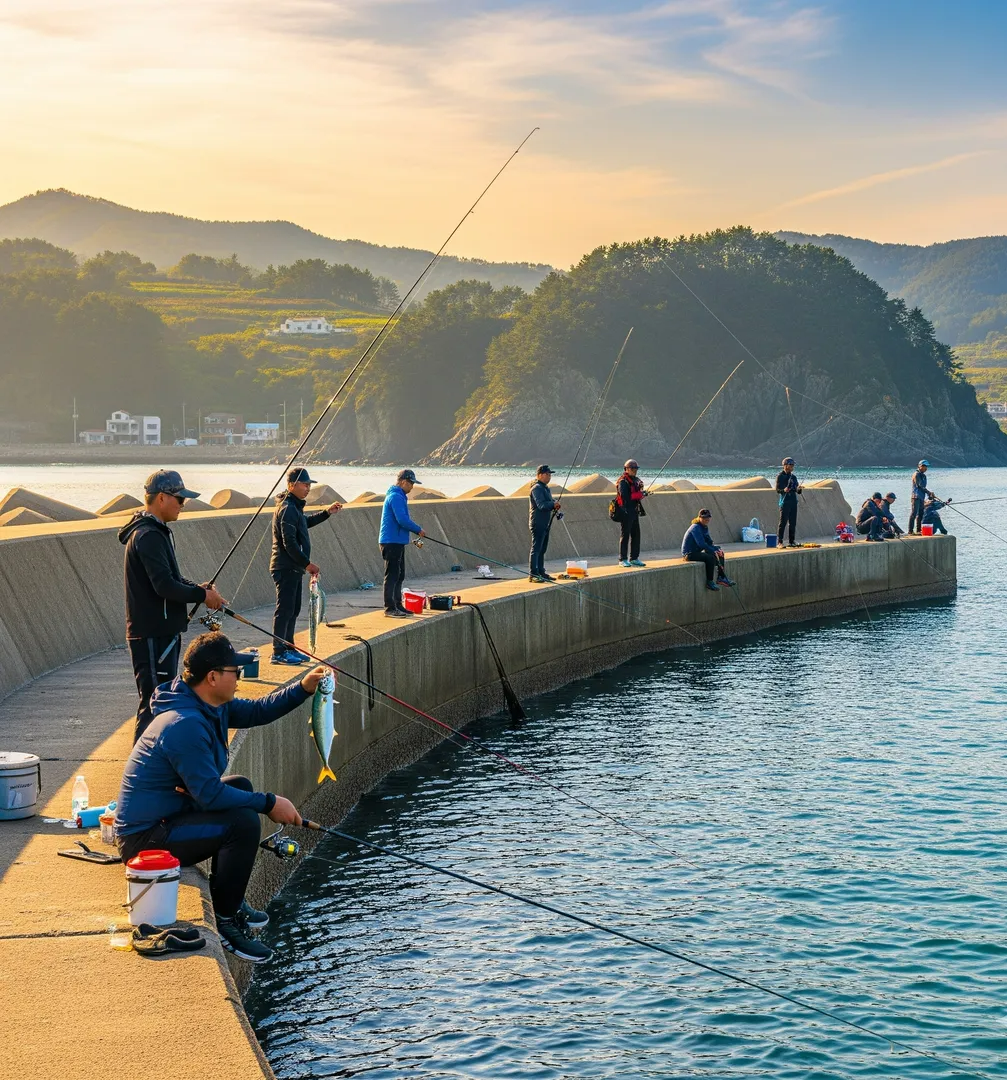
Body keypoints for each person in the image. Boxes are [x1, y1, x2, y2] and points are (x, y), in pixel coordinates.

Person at [115, 632, 327, 963]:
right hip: (144, 841)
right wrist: (270, 803)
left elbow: (259, 711)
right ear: (212, 677)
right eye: (235, 671)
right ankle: (227, 922)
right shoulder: (183, 724)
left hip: (170, 817)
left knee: (240, 786)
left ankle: (231, 899)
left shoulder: (210, 705)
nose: (240, 676)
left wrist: (304, 688)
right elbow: (211, 797)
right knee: (241, 822)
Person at [119, 470, 226, 744]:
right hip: (152, 634)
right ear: (162, 498)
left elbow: (173, 579)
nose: (183, 504)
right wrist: (201, 597)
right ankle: (140, 772)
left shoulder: (156, 532)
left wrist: (200, 590)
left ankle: (150, 768)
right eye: (180, 499)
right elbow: (164, 586)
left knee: (160, 698)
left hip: (161, 633)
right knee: (155, 701)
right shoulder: (148, 536)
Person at [270, 467, 343, 663]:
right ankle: (278, 652)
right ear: (291, 485)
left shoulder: (295, 507)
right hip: (284, 567)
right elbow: (289, 543)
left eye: (309, 484)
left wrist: (327, 512)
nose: (308, 488)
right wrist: (307, 564)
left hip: (294, 568)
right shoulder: (286, 508)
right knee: (284, 609)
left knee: (293, 609)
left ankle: (289, 647)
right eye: (304, 484)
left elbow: (305, 523)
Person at [379, 468, 425, 617]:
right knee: (392, 575)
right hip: (391, 541)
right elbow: (402, 520)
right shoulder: (396, 496)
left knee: (400, 574)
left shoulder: (399, 496)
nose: (412, 487)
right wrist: (418, 529)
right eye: (411, 483)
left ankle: (398, 604)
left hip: (397, 541)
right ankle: (390, 608)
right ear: (403, 481)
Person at [681, 508, 735, 591]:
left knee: (720, 552)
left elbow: (709, 542)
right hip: (689, 554)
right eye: (704, 518)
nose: (707, 519)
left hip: (697, 551)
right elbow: (701, 544)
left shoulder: (704, 527)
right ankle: (709, 582)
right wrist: (713, 550)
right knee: (710, 558)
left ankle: (721, 578)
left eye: (708, 517)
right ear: (699, 517)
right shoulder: (695, 527)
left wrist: (716, 550)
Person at [528, 464, 560, 583]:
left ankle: (541, 571)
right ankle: (533, 574)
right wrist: (552, 504)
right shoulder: (536, 488)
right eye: (547, 474)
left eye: (550, 474)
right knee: (536, 548)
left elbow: (549, 502)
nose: (549, 477)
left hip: (545, 522)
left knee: (543, 549)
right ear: (540, 475)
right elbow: (541, 505)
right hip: (537, 522)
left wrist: (554, 503)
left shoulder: (545, 488)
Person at [615, 459, 648, 568]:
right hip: (625, 512)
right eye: (632, 469)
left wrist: (642, 494)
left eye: (636, 469)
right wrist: (639, 495)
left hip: (634, 511)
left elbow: (636, 494)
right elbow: (625, 497)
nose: (635, 471)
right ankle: (622, 559)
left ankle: (634, 558)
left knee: (636, 535)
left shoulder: (635, 480)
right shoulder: (623, 482)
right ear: (626, 469)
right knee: (625, 535)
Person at [775, 457, 802, 548]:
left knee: (793, 523)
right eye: (791, 465)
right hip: (785, 502)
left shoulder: (793, 477)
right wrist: (784, 490)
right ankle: (780, 542)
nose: (792, 467)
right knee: (783, 522)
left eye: (793, 465)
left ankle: (792, 541)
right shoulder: (780, 476)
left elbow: (797, 490)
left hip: (793, 501)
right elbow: (777, 490)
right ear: (785, 465)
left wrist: (799, 489)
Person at [908, 460, 932, 534]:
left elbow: (924, 487)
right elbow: (920, 485)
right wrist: (928, 492)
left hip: (921, 497)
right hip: (915, 497)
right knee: (914, 513)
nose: (925, 468)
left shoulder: (924, 476)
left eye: (926, 467)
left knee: (921, 513)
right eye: (924, 466)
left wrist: (930, 494)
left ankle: (918, 530)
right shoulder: (916, 474)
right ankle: (910, 530)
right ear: (919, 466)